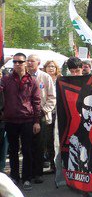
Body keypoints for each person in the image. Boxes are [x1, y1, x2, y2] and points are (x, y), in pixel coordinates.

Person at [0, 53, 42, 191]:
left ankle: (27, 178)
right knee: (12, 150)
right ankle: (14, 176)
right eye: (15, 62)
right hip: (11, 119)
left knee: (27, 150)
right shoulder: (6, 80)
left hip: (27, 120)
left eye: (20, 62)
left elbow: (36, 102)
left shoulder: (33, 81)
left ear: (25, 63)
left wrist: (37, 121)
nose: (17, 64)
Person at [26, 55, 56, 184]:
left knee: (39, 145)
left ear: (38, 63)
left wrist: (44, 110)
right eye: (28, 61)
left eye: (32, 61)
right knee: (27, 144)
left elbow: (52, 97)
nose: (29, 63)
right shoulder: (24, 76)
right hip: (26, 116)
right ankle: (28, 172)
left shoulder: (45, 77)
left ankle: (38, 173)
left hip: (41, 115)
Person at [66, 85, 92, 173]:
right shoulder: (75, 142)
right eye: (86, 108)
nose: (90, 115)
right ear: (80, 110)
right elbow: (73, 173)